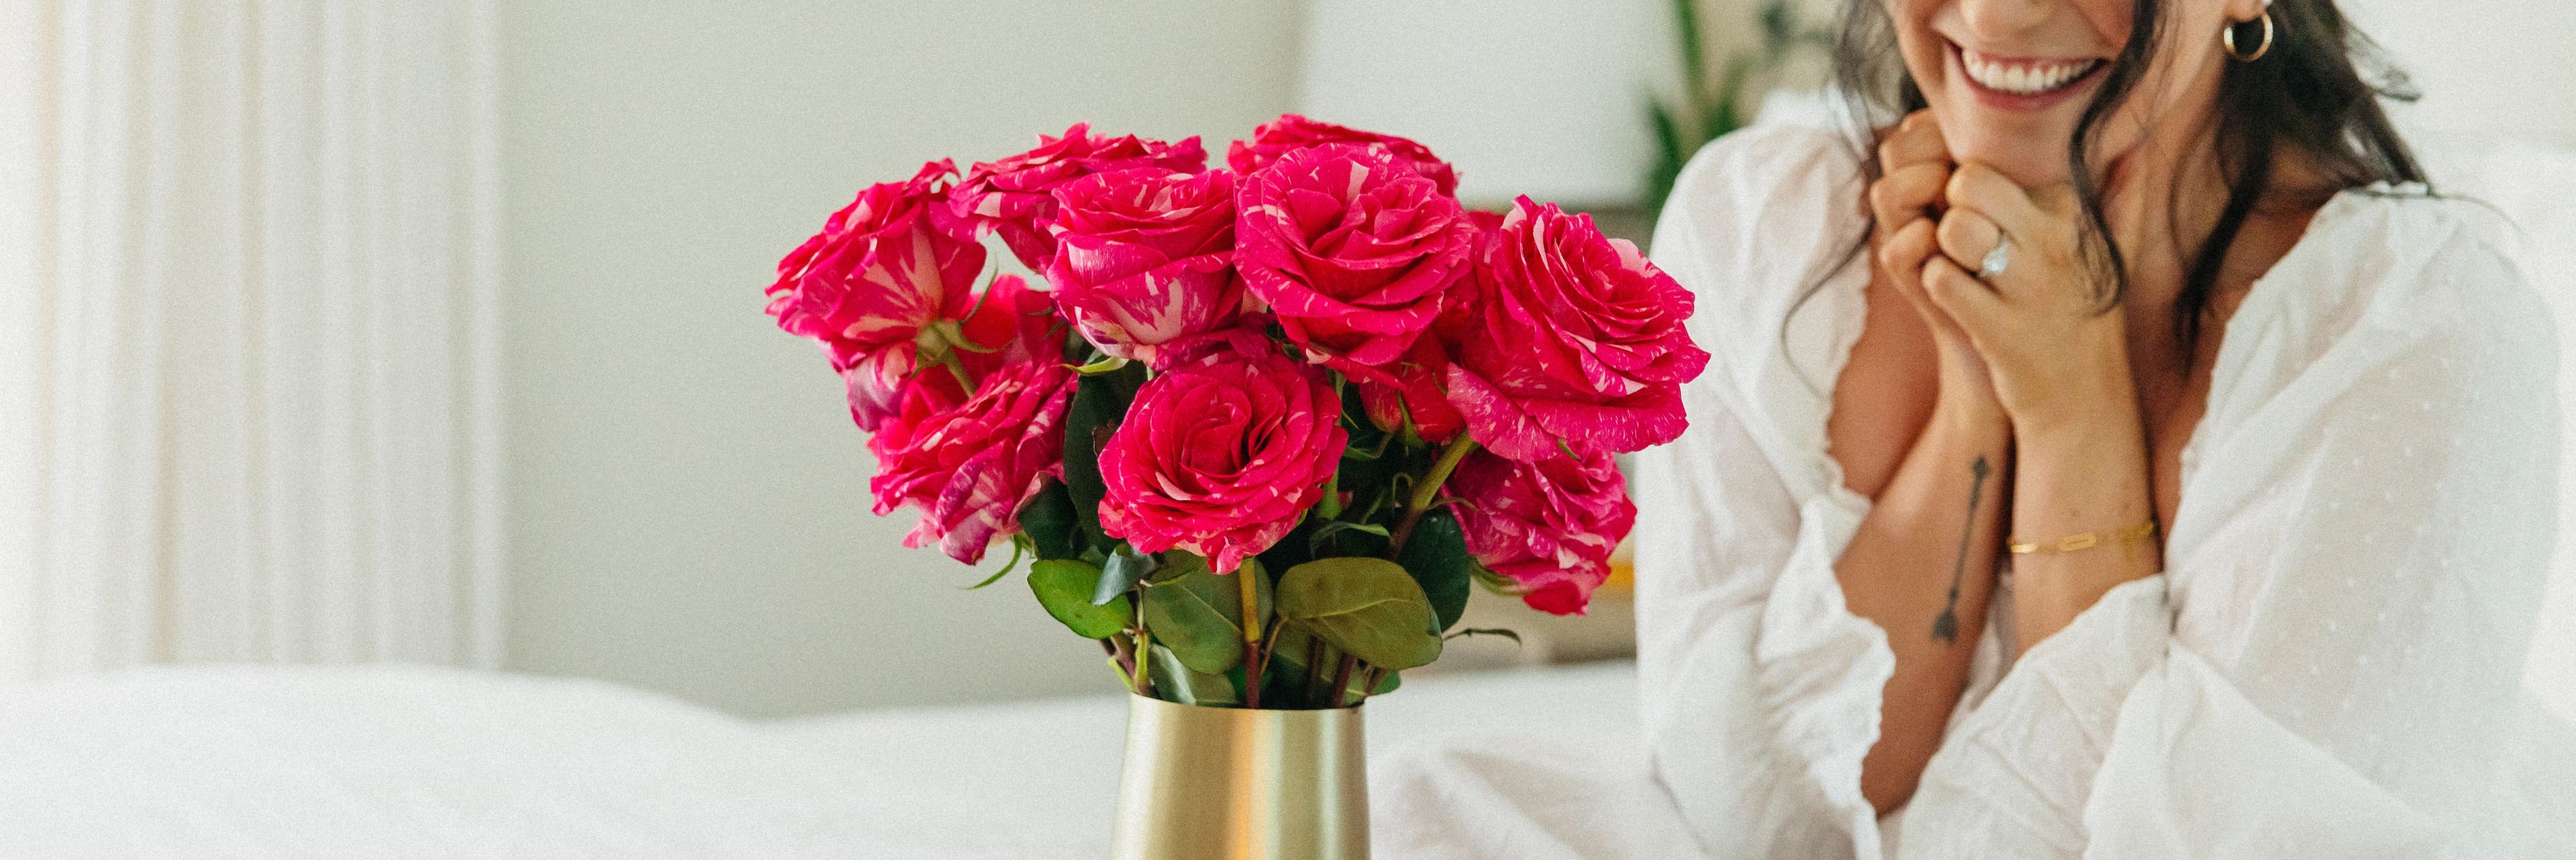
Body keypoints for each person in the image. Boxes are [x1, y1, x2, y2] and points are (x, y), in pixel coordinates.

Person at [1629, 0, 2571, 857]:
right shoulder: (1758, 225)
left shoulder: (2409, 333)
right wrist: (1978, 387)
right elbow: (1750, 815)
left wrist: (2073, 410)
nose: (1998, 16)